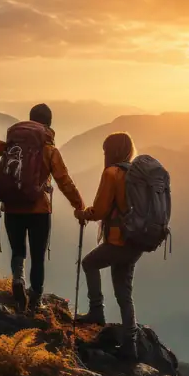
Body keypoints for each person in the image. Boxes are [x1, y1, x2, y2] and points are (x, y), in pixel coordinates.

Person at [0, 104, 84, 312]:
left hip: (12, 206)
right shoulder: (49, 149)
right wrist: (79, 205)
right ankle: (35, 299)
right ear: (49, 124)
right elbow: (64, 180)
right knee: (37, 255)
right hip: (38, 209)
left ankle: (18, 279)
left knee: (18, 250)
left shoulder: (13, 145)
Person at [75, 132, 143, 360]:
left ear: (111, 152)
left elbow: (102, 209)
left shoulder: (113, 173)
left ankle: (96, 311)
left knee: (89, 263)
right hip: (137, 241)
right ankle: (130, 345)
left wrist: (85, 214)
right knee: (124, 292)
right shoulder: (138, 173)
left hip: (118, 240)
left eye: (105, 151)